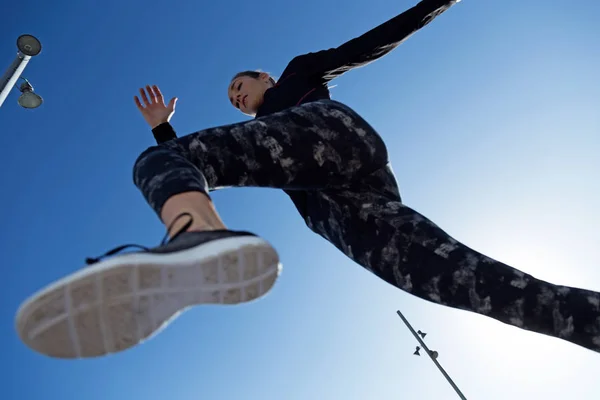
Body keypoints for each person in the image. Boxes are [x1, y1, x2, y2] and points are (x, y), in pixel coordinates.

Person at [16, 0, 600, 360]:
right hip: (343, 208)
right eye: (232, 99)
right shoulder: (266, 134)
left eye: (240, 87)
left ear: (264, 76)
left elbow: (368, 43)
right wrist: (166, 129)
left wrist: (438, 2)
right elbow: (216, 160)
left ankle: (196, 237)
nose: (238, 98)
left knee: (155, 164)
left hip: (335, 136)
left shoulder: (298, 76)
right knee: (469, 284)